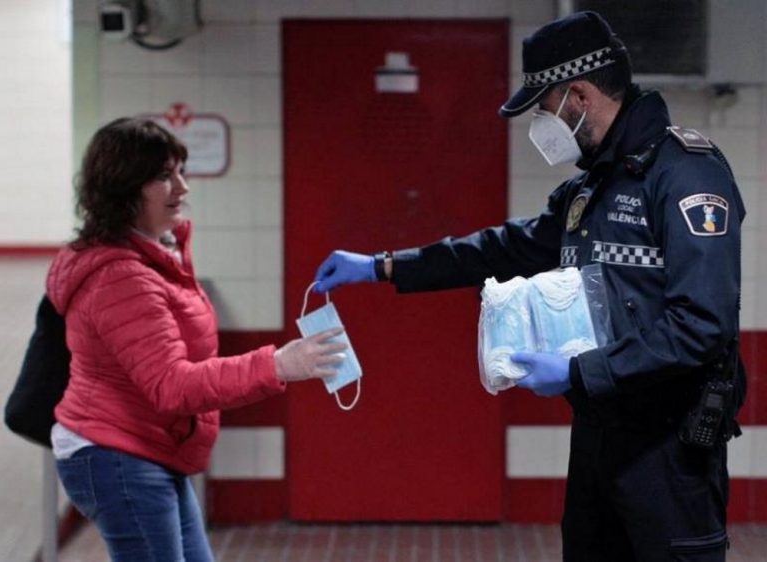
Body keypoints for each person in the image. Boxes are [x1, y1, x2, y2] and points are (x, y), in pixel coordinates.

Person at [313, 11, 745, 562]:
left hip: (669, 451)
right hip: (599, 436)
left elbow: (702, 325)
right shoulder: (592, 187)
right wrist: (384, 266)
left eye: (545, 106)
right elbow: (506, 248)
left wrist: (577, 371)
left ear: (579, 95)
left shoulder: (684, 174)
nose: (542, 123)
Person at [47, 117, 346, 562]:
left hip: (149, 446)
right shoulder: (122, 277)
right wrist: (278, 365)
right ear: (123, 187)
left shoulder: (158, 257)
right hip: (116, 453)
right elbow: (172, 385)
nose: (183, 187)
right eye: (163, 176)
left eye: (180, 171)